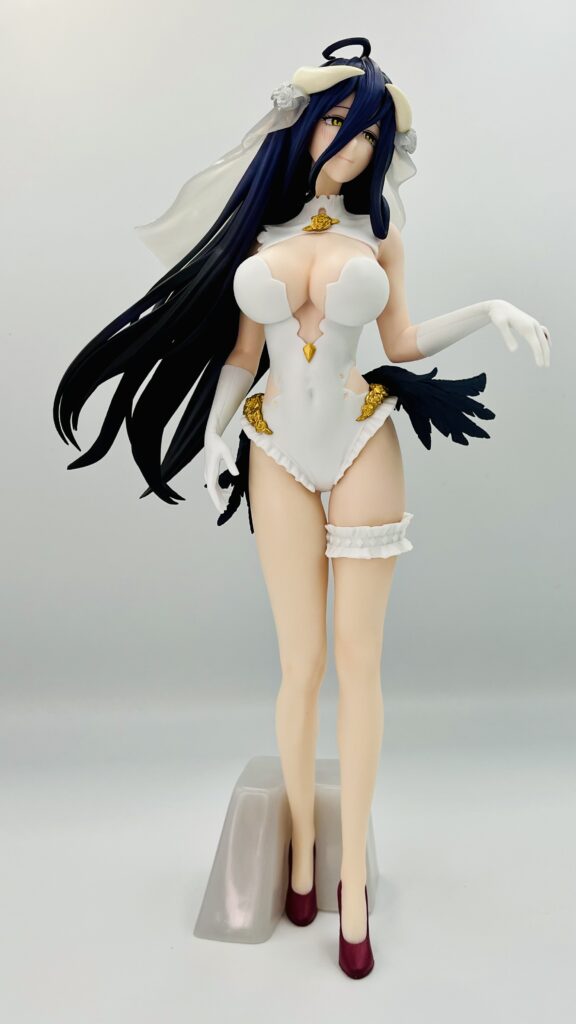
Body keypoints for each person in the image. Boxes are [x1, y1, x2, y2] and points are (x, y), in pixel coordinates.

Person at [53, 36, 550, 980]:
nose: (351, 146)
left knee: (359, 666)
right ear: (306, 123)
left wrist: (489, 309)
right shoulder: (261, 234)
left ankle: (351, 882)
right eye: (338, 124)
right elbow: (243, 356)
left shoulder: (380, 235)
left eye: (368, 135)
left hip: (363, 441)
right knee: (300, 666)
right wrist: (213, 441)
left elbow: (401, 339)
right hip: (275, 447)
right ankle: (299, 854)